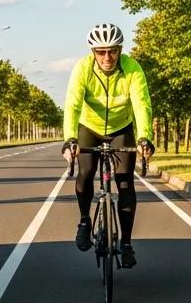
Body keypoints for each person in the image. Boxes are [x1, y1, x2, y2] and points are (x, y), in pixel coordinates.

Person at [62, 22, 154, 267]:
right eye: (101, 51)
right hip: (89, 126)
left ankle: (126, 244)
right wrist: (70, 139)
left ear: (120, 50)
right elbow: (72, 105)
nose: (107, 57)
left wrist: (145, 137)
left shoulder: (132, 68)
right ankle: (84, 221)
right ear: (93, 52)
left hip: (121, 127)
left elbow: (141, 105)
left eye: (112, 50)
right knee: (86, 171)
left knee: (124, 180)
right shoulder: (82, 68)